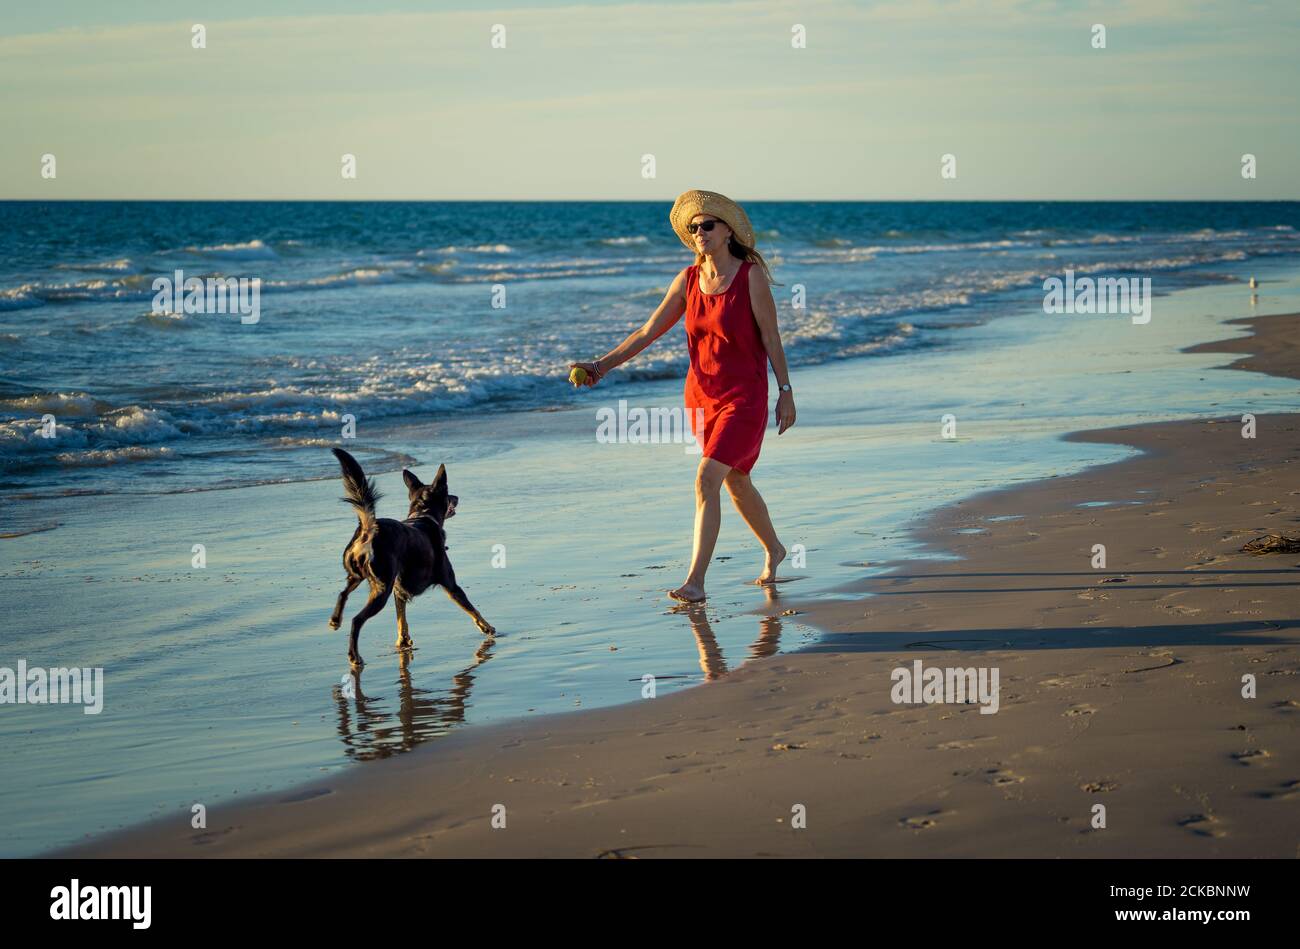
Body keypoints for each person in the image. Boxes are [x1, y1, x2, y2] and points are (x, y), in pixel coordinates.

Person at [569, 189, 796, 603]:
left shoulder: (750, 277)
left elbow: (771, 337)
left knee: (707, 478)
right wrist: (601, 366)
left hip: (744, 397)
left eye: (707, 225)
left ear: (728, 231)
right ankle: (775, 549)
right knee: (737, 482)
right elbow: (647, 331)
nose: (699, 233)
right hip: (700, 397)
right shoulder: (688, 280)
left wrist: (785, 391)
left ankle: (695, 582)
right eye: (694, 228)